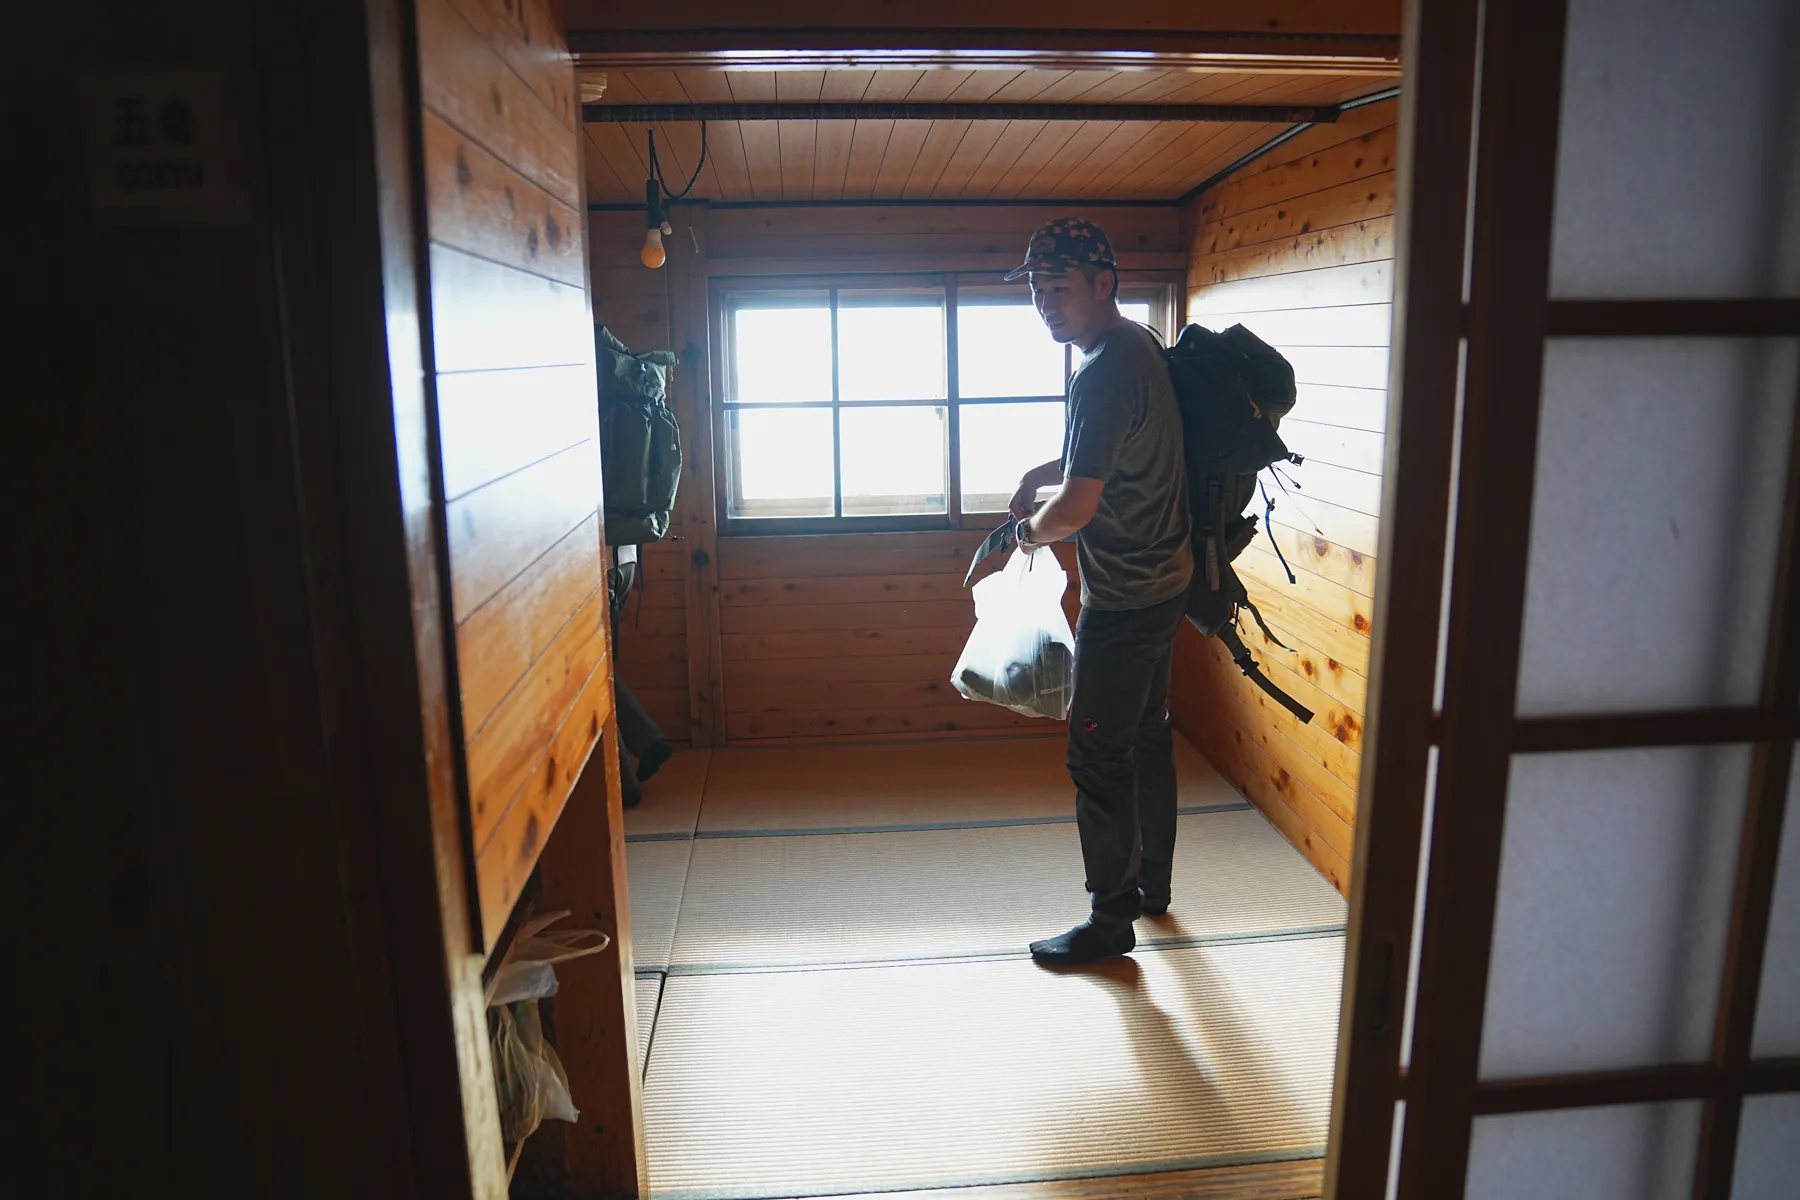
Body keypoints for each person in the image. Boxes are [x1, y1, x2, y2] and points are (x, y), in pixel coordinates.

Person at [1003, 217, 1194, 966]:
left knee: (1096, 755)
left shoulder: (1105, 367)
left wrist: (1025, 534)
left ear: (1103, 284)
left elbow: (1077, 511)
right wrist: (1046, 471)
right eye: (1037, 291)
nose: (1046, 304)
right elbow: (1115, 443)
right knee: (1147, 733)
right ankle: (1152, 888)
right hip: (1168, 579)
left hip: (1125, 599)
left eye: (1059, 288)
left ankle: (1109, 924)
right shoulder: (1137, 344)